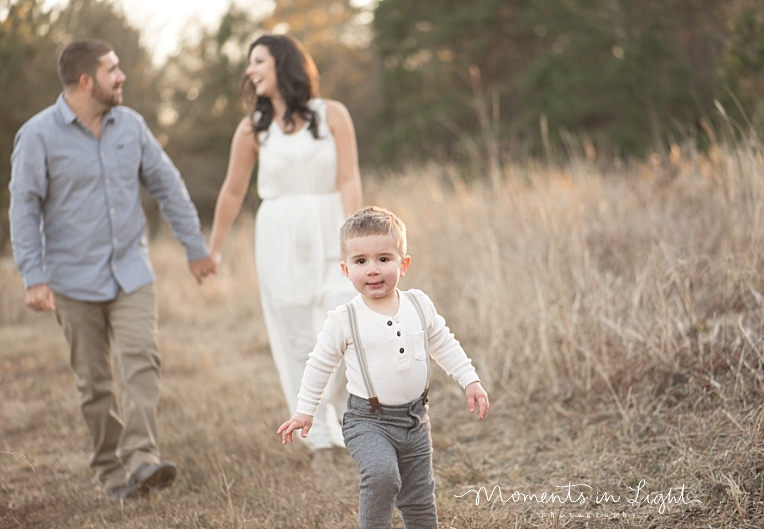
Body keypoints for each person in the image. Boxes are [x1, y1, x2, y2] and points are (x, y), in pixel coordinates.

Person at [8, 39, 216, 500]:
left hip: (130, 273)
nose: (122, 77)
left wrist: (195, 248)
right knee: (94, 382)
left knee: (142, 358)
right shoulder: (38, 135)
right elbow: (23, 209)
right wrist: (34, 276)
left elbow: (168, 185)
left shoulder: (132, 126)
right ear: (86, 81)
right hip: (71, 280)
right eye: (112, 70)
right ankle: (110, 471)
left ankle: (141, 458)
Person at [278, 206, 490, 529]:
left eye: (384, 259)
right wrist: (305, 410)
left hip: (416, 420)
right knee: (382, 474)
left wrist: (470, 380)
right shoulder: (344, 319)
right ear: (346, 270)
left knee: (419, 497)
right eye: (361, 261)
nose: (373, 269)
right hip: (367, 420)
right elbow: (319, 364)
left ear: (403, 264)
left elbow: (443, 343)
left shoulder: (419, 304)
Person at [209, 34, 363, 460]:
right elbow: (233, 191)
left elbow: (349, 178)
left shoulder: (333, 114)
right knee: (296, 337)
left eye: (257, 60)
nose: (249, 70)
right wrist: (215, 249)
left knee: (346, 323)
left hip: (333, 227)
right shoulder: (251, 130)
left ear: (283, 63)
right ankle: (317, 438)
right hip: (278, 235)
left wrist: (360, 240)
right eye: (248, 63)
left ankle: (333, 408)